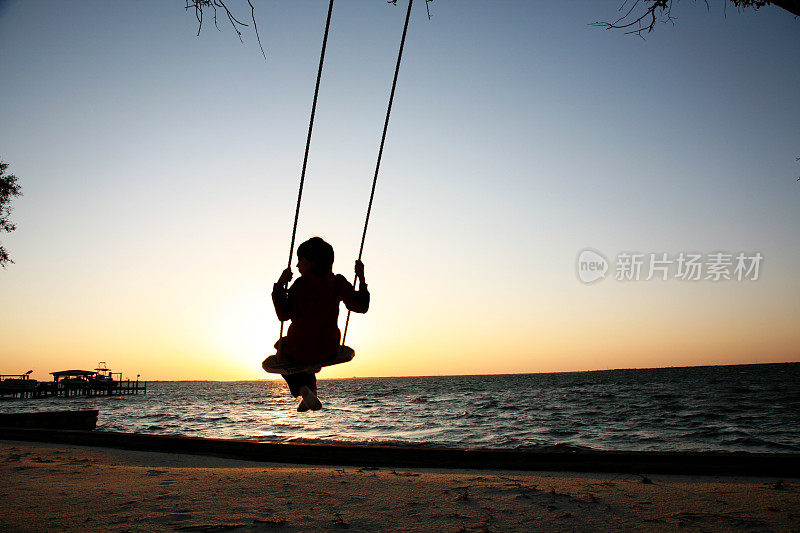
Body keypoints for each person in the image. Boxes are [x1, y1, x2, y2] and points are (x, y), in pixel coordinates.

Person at [271, 237, 369, 412]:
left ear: (311, 262)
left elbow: (283, 315)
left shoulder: (299, 286)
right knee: (310, 356)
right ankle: (311, 393)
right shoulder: (337, 282)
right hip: (328, 347)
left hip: (298, 349)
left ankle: (301, 389)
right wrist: (361, 278)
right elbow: (361, 306)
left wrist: (280, 284)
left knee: (282, 354)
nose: (296, 265)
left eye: (300, 260)